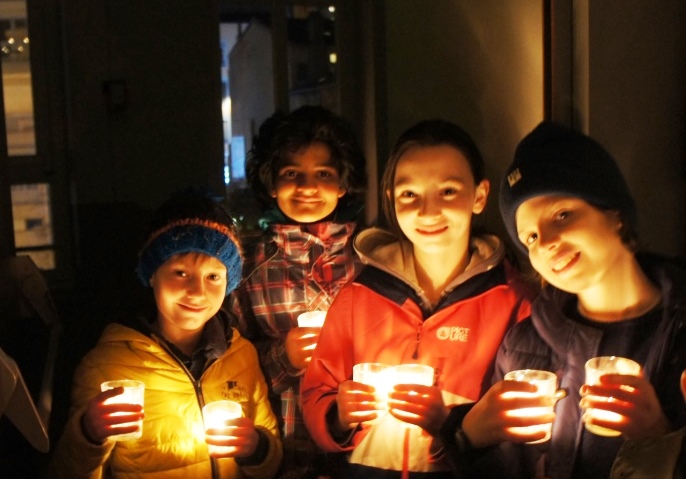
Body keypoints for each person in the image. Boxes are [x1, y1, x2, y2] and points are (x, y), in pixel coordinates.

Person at [439, 121, 686, 479]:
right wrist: (469, 439)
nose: (546, 243)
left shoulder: (677, 337)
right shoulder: (524, 343)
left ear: (615, 214)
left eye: (562, 215)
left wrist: (660, 439)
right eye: (530, 237)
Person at [300, 119, 535, 478]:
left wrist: (451, 425)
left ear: (479, 196)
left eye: (448, 191)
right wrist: (338, 416)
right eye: (410, 194)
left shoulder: (515, 302)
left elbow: (524, 428)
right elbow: (317, 391)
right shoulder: (358, 296)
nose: (428, 211)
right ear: (391, 199)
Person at [51, 188, 282, 479]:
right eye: (180, 273)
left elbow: (271, 460)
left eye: (213, 276)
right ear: (152, 274)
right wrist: (88, 433)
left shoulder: (242, 356)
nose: (197, 292)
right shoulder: (106, 366)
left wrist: (256, 448)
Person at [232, 105, 368, 479]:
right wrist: (283, 356)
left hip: (359, 450)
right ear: (271, 183)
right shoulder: (249, 265)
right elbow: (231, 365)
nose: (308, 187)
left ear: (343, 183)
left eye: (323, 174)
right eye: (292, 174)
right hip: (282, 448)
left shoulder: (368, 259)